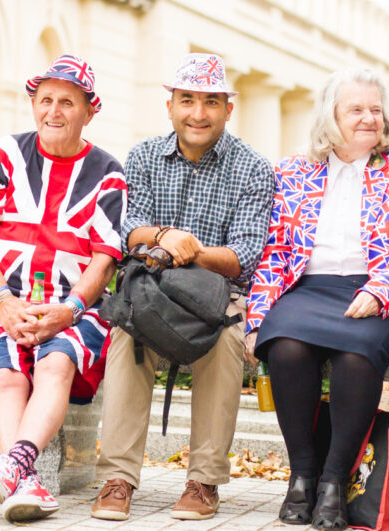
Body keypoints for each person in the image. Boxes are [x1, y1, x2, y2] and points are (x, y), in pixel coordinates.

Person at [92, 53, 274, 522]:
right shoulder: (144, 156)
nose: (198, 112)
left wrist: (186, 248)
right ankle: (117, 478)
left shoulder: (253, 168)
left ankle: (203, 481)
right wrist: (161, 237)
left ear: (228, 110)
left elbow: (245, 255)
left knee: (228, 338)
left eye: (211, 102)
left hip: (218, 297)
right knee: (127, 333)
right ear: (169, 105)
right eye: (188, 100)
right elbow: (128, 228)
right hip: (151, 290)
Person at [245, 68, 389, 529]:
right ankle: (302, 475)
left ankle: (333, 481)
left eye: (375, 109)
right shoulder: (292, 170)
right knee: (283, 348)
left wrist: (381, 290)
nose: (368, 118)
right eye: (356, 110)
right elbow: (276, 251)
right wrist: (257, 319)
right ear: (331, 116)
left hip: (379, 292)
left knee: (356, 357)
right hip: (308, 290)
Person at [0, 55, 127, 522]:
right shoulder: (5, 156)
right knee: (8, 375)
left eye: (67, 102)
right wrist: (2, 303)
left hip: (76, 307)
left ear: (89, 110)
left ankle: (12, 466)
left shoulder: (107, 173)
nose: (53, 111)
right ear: (33, 104)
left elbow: (104, 260)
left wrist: (70, 309)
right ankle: (27, 476)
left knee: (56, 362)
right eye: (45, 100)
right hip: (3, 301)